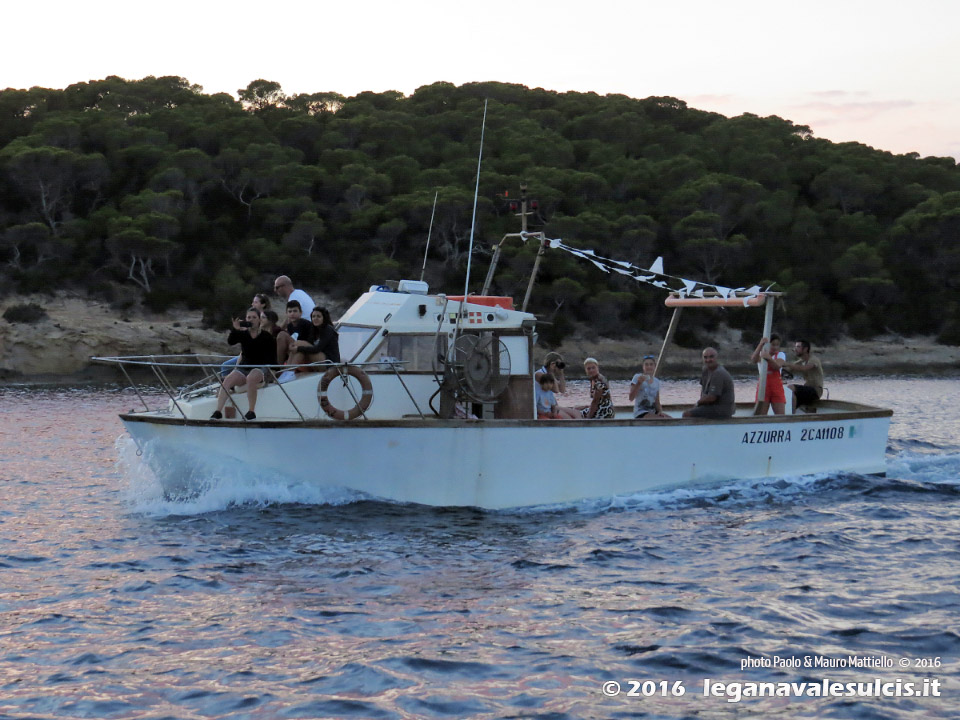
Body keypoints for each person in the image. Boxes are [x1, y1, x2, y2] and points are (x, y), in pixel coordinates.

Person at [211, 307, 277, 421]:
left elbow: (272, 357)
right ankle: (218, 411)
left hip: (259, 367)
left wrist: (273, 372)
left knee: (251, 378)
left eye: (254, 317)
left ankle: (251, 411)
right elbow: (231, 342)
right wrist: (235, 329)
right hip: (244, 367)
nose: (251, 320)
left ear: (259, 320)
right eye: (249, 317)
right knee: (227, 380)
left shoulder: (267, 336)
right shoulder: (243, 334)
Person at [682, 347, 736, 419]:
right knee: (693, 411)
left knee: (686, 414)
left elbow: (712, 398)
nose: (708, 360)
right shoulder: (705, 370)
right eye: (705, 357)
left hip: (722, 409)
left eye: (711, 357)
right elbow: (704, 392)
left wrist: (698, 403)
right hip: (711, 406)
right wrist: (698, 406)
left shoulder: (719, 373)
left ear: (716, 358)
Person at [782, 340, 824, 412]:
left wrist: (787, 364)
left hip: (816, 390)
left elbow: (804, 368)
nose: (795, 349)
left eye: (798, 347)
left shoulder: (813, 359)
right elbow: (788, 369)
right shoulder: (800, 361)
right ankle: (791, 414)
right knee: (787, 398)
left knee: (790, 387)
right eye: (795, 347)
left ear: (805, 349)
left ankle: (792, 417)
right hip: (807, 389)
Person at [750, 334, 786, 415]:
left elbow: (777, 366)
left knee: (780, 415)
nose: (775, 347)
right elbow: (753, 360)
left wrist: (769, 358)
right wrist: (760, 345)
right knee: (761, 415)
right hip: (763, 386)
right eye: (773, 344)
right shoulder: (761, 355)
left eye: (777, 345)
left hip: (776, 387)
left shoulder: (781, 355)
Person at [535, 351, 578, 419]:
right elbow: (556, 390)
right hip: (542, 408)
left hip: (550, 406)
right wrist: (551, 371)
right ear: (551, 364)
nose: (558, 367)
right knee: (568, 419)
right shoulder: (539, 374)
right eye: (557, 364)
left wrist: (561, 374)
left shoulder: (549, 375)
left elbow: (562, 390)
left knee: (576, 413)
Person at [629, 355, 670, 419]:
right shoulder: (637, 377)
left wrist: (660, 411)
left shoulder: (657, 381)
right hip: (641, 412)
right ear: (643, 367)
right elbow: (631, 398)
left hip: (653, 411)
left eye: (651, 364)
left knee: (670, 419)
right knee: (660, 420)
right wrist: (638, 384)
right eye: (646, 365)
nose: (649, 367)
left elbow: (657, 401)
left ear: (654, 366)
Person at [276, 300, 314, 365]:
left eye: (295, 311)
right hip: (294, 351)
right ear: (287, 313)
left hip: (305, 352)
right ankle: (280, 366)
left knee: (282, 335)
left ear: (301, 313)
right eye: (290, 311)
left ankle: (280, 366)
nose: (292, 314)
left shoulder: (306, 324)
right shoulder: (290, 326)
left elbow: (310, 342)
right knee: (281, 336)